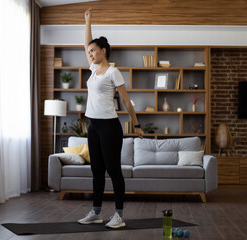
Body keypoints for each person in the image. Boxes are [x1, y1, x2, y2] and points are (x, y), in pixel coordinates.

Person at [77, 8, 144, 229]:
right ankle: (96, 212)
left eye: (94, 51)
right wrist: (88, 21)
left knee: (113, 169)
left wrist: (136, 125)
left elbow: (126, 100)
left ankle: (119, 215)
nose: (90, 53)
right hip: (93, 125)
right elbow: (88, 42)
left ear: (103, 51)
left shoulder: (113, 72)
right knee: (96, 169)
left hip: (109, 126)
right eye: (89, 52)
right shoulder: (93, 69)